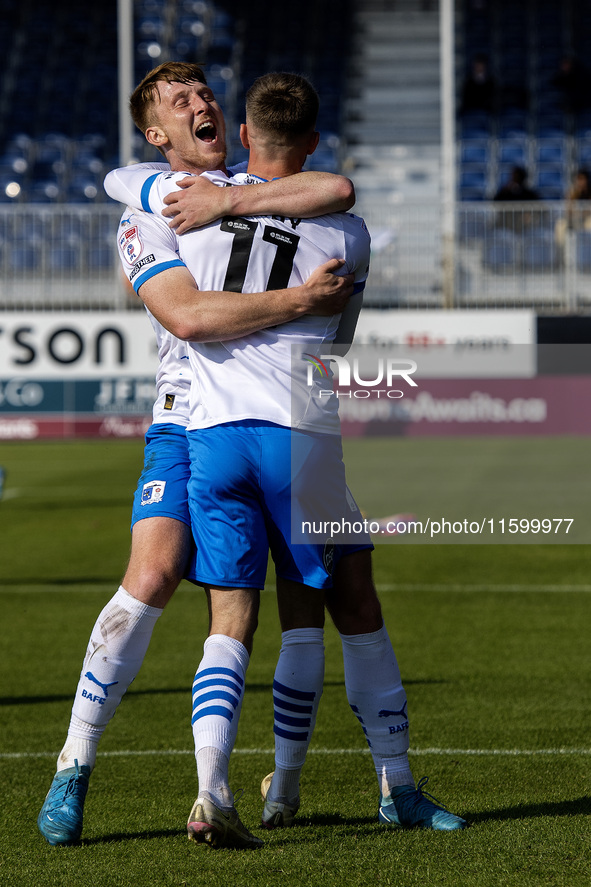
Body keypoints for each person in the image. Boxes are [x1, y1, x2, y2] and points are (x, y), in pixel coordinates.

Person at [107, 70, 467, 847]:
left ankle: (219, 790)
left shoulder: (185, 209)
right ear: (312, 138)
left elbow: (129, 193)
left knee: (229, 614)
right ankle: (384, 784)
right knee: (343, 604)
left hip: (208, 432)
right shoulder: (345, 230)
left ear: (241, 136)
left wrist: (219, 197)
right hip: (301, 431)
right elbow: (337, 316)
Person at [37, 61, 357, 848]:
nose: (201, 103)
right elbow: (185, 315)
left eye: (206, 93)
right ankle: (73, 764)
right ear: (158, 136)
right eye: (180, 102)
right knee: (151, 576)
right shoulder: (150, 203)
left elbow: (335, 191)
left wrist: (236, 197)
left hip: (268, 417)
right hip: (184, 422)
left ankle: (222, 793)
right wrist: (298, 302)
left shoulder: (244, 183)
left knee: (268, 605)